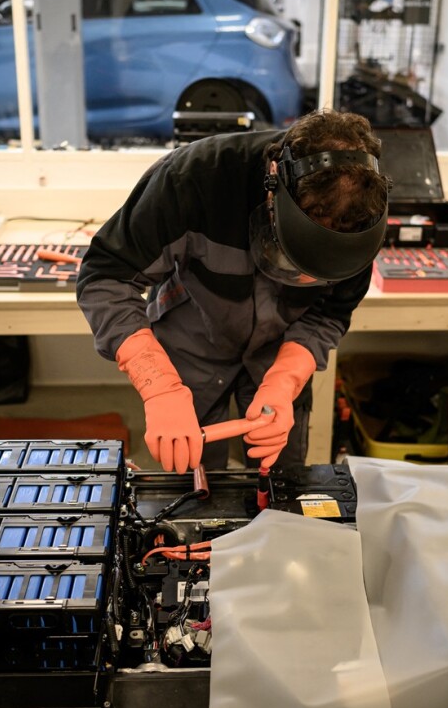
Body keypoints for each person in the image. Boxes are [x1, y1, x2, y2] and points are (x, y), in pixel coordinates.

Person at [76, 109, 390, 473]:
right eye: (295, 261)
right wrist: (158, 386)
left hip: (280, 348)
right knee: (192, 484)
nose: (304, 280)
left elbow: (331, 312)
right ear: (273, 186)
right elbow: (105, 277)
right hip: (192, 338)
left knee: (281, 483)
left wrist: (283, 380)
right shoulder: (191, 179)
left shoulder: (362, 218)